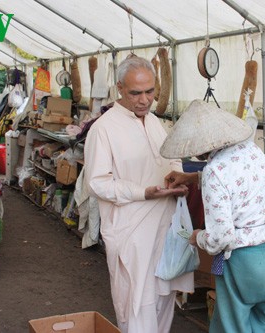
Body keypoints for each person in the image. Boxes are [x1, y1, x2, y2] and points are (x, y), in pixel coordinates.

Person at [160, 99, 265, 333]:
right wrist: (193, 178)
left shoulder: (214, 171)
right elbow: (237, 182)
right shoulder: (251, 150)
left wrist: (198, 237)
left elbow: (221, 238)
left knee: (233, 326)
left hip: (247, 260)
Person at [84, 56, 193, 333]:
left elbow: (172, 158)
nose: (145, 100)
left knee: (164, 296)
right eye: (136, 93)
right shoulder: (103, 129)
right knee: (136, 301)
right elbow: (97, 183)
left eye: (150, 92)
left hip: (166, 226)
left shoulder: (156, 122)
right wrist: (142, 192)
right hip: (131, 231)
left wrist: (177, 177)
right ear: (120, 88)